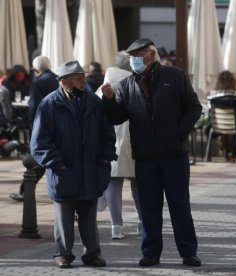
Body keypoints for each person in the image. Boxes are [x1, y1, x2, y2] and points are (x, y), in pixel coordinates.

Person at [101, 38, 202, 267]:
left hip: (174, 154)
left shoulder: (174, 76)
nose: (132, 60)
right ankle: (150, 253)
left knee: (180, 206)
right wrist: (108, 101)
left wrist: (179, 132)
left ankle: (188, 252)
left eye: (137, 55)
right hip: (145, 157)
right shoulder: (127, 84)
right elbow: (118, 117)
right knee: (149, 208)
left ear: (150, 54)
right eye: (130, 56)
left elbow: (194, 107)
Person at [30, 60, 117, 269]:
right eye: (78, 78)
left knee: (89, 216)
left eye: (83, 77)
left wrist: (106, 157)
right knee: (63, 217)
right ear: (64, 82)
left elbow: (108, 132)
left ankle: (93, 254)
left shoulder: (95, 103)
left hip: (90, 169)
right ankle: (63, 254)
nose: (83, 81)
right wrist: (56, 163)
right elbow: (39, 141)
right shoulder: (49, 104)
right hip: (63, 171)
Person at [96, 52, 142, 240]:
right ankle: (143, 221)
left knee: (113, 184)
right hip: (134, 141)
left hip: (111, 143)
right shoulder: (134, 84)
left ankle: (116, 226)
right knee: (138, 184)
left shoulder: (102, 88)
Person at [9, 55, 59, 202]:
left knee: (36, 160)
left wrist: (33, 129)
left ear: (36, 69)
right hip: (59, 127)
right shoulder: (58, 79)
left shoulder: (38, 83)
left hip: (43, 128)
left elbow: (34, 109)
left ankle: (25, 192)